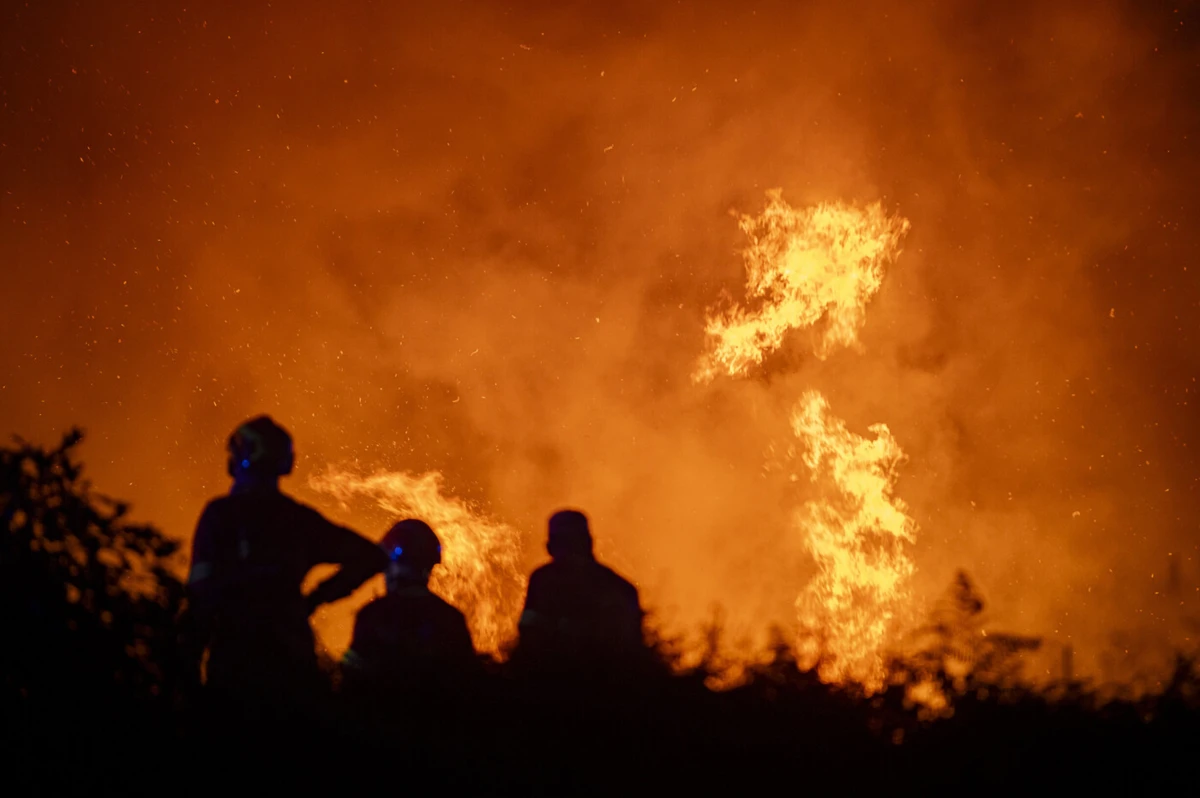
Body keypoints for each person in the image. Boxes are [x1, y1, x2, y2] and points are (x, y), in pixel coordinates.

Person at [186, 415, 385, 706]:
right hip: (291, 660)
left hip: (235, 661)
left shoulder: (221, 515)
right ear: (283, 463)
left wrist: (187, 671)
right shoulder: (298, 519)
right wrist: (315, 600)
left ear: (242, 459)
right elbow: (372, 556)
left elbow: (199, 599)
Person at [341, 519, 479, 697]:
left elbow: (351, 683)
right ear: (429, 566)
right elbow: (470, 684)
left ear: (392, 565)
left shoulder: (374, 616)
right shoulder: (451, 619)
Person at [516, 509, 646, 671]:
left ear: (549, 547)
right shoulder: (621, 588)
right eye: (565, 543)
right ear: (590, 542)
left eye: (571, 543)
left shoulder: (543, 580)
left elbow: (529, 636)